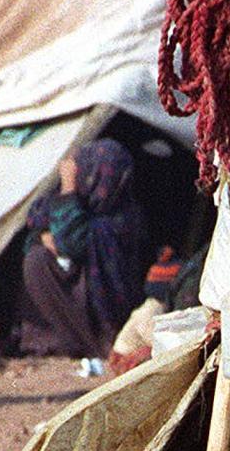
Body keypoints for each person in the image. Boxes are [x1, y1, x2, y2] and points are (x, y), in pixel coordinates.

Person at [13, 137, 146, 360]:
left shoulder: (120, 219)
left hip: (106, 317)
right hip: (77, 306)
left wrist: (68, 189)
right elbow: (37, 224)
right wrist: (44, 237)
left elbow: (70, 243)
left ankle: (91, 344)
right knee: (37, 259)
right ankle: (59, 339)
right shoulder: (83, 208)